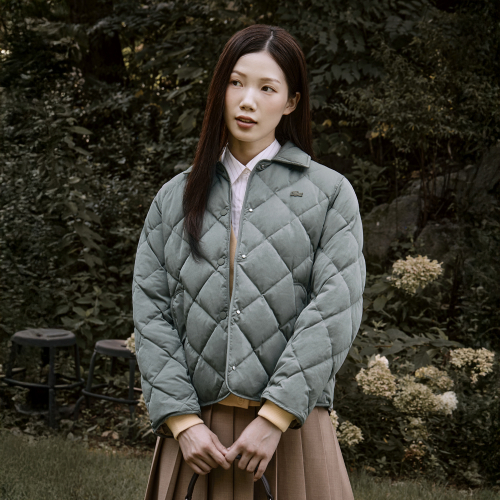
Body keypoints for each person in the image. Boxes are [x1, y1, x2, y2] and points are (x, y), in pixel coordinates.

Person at [132, 24, 366, 500]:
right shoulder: (173, 197)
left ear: (291, 102)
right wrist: (182, 421)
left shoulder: (330, 193)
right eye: (236, 83)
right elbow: (151, 311)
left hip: (291, 431)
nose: (247, 101)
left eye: (267, 88)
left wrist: (274, 417)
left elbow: (335, 309)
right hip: (196, 435)